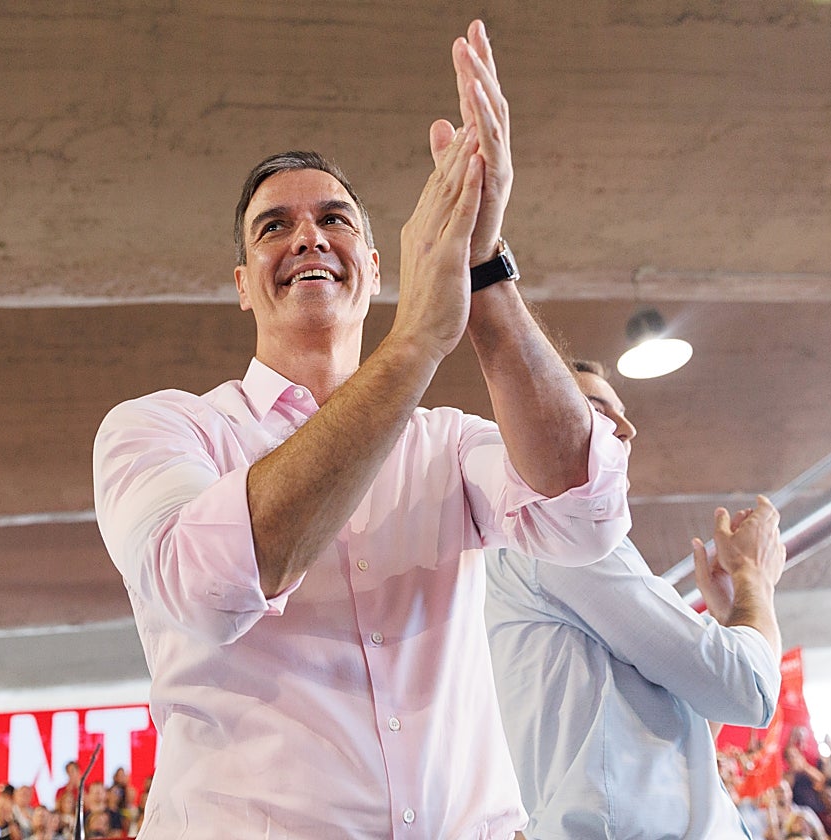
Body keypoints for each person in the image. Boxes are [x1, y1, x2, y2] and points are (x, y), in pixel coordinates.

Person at [92, 18, 631, 840]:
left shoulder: (447, 446)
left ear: (376, 266)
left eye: (335, 219)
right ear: (243, 285)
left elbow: (585, 512)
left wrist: (481, 271)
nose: (309, 236)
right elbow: (210, 588)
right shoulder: (163, 430)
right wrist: (415, 341)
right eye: (274, 226)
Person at [484, 359, 785, 839]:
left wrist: (732, 616)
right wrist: (755, 578)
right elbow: (747, 689)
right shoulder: (557, 539)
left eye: (622, 414)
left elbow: (681, 741)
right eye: (598, 409)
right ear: (534, 420)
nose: (627, 429)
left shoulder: (518, 554)